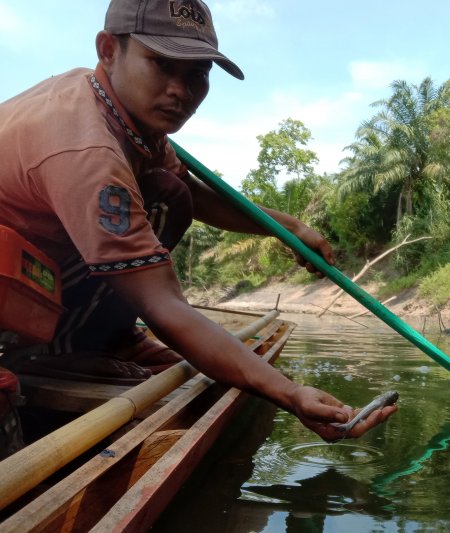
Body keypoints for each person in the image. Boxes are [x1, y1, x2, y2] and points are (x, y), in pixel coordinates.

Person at [0, 0, 396, 442]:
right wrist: (288, 392)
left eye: (197, 74)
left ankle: (100, 338)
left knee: (168, 193)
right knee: (165, 201)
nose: (180, 90)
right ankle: (67, 349)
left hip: (35, 274)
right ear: (109, 49)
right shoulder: (88, 152)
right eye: (162, 64)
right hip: (13, 293)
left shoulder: (120, 114)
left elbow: (195, 195)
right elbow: (164, 305)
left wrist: (288, 227)